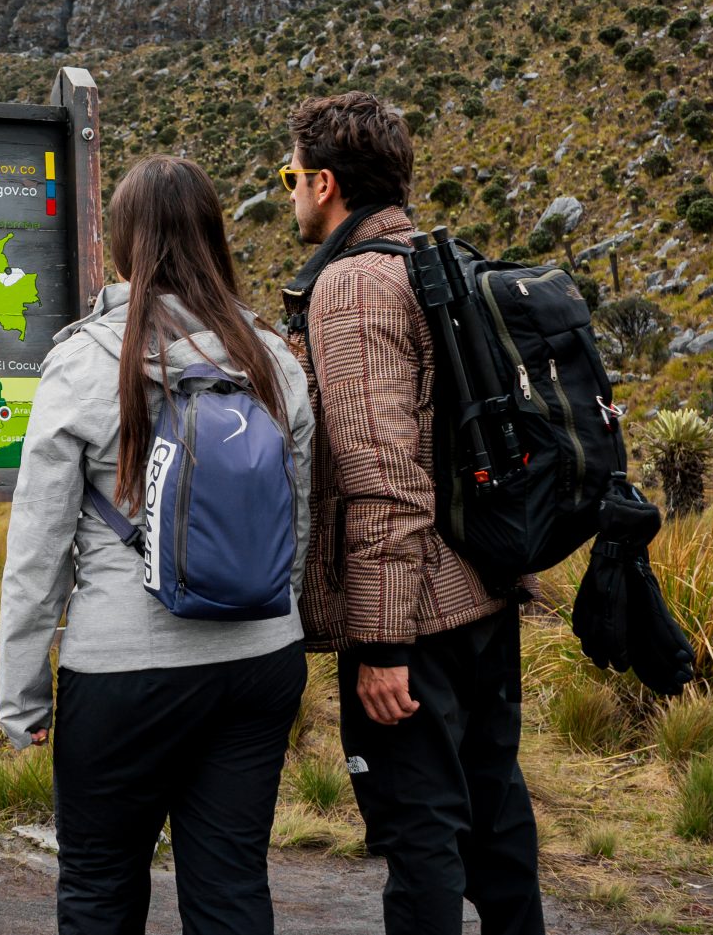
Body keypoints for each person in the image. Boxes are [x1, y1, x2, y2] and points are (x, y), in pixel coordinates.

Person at [0, 154, 316, 935]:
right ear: (213, 236)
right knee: (233, 886)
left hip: (121, 673)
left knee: (101, 889)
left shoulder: (82, 362)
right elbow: (297, 523)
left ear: (123, 245)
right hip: (258, 662)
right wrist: (276, 619)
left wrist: (23, 696)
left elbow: (37, 552)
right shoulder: (272, 361)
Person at [279, 92, 544, 935]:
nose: (287, 190)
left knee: (421, 834)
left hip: (416, 621)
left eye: (290, 174)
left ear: (324, 183)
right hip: (486, 587)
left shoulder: (353, 287)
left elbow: (383, 474)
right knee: (498, 823)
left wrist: (383, 643)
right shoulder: (442, 260)